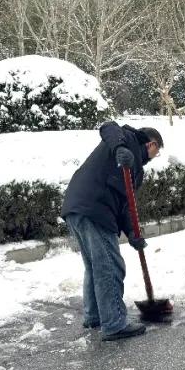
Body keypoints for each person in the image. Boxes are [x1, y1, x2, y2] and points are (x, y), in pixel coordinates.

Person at [61, 122, 164, 341]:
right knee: (110, 267)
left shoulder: (135, 170)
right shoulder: (126, 138)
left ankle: (95, 316)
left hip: (78, 207)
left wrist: (133, 234)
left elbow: (126, 206)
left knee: (95, 266)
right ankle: (114, 323)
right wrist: (120, 148)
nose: (156, 156)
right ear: (152, 143)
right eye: (157, 151)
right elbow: (108, 127)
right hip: (93, 207)